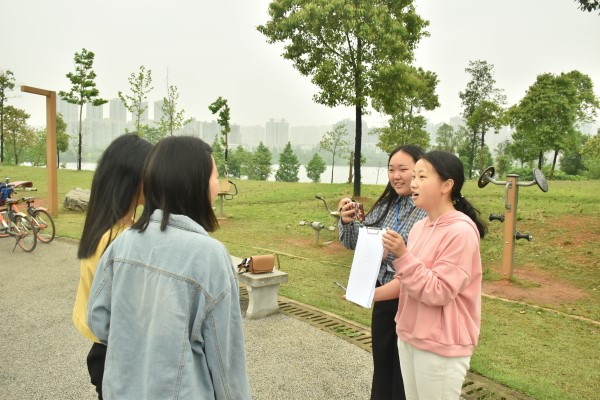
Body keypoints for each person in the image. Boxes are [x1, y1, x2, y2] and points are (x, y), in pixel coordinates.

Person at [87, 136, 251, 399]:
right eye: (215, 175)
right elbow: (225, 363)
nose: (218, 184)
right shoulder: (210, 256)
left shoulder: (124, 241)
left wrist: (139, 346)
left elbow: (98, 319)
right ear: (195, 184)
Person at [375, 150, 486, 400]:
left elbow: (439, 291)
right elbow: (407, 282)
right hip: (409, 337)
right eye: (414, 176)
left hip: (441, 347)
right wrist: (367, 295)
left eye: (422, 177)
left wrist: (402, 254)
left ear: (447, 185)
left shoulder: (460, 232)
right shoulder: (418, 228)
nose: (413, 183)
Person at [338, 145, 427, 400]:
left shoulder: (427, 208)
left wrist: (394, 254)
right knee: (383, 366)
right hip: (385, 299)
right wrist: (346, 222)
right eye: (391, 169)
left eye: (403, 169)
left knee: (405, 373)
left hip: (413, 300)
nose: (396, 176)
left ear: (420, 171)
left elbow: (427, 259)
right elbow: (355, 242)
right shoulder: (386, 205)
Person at [72, 133, 152, 399]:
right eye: (150, 173)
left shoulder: (103, 228)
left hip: (104, 351)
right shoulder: (121, 242)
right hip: (120, 358)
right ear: (132, 179)